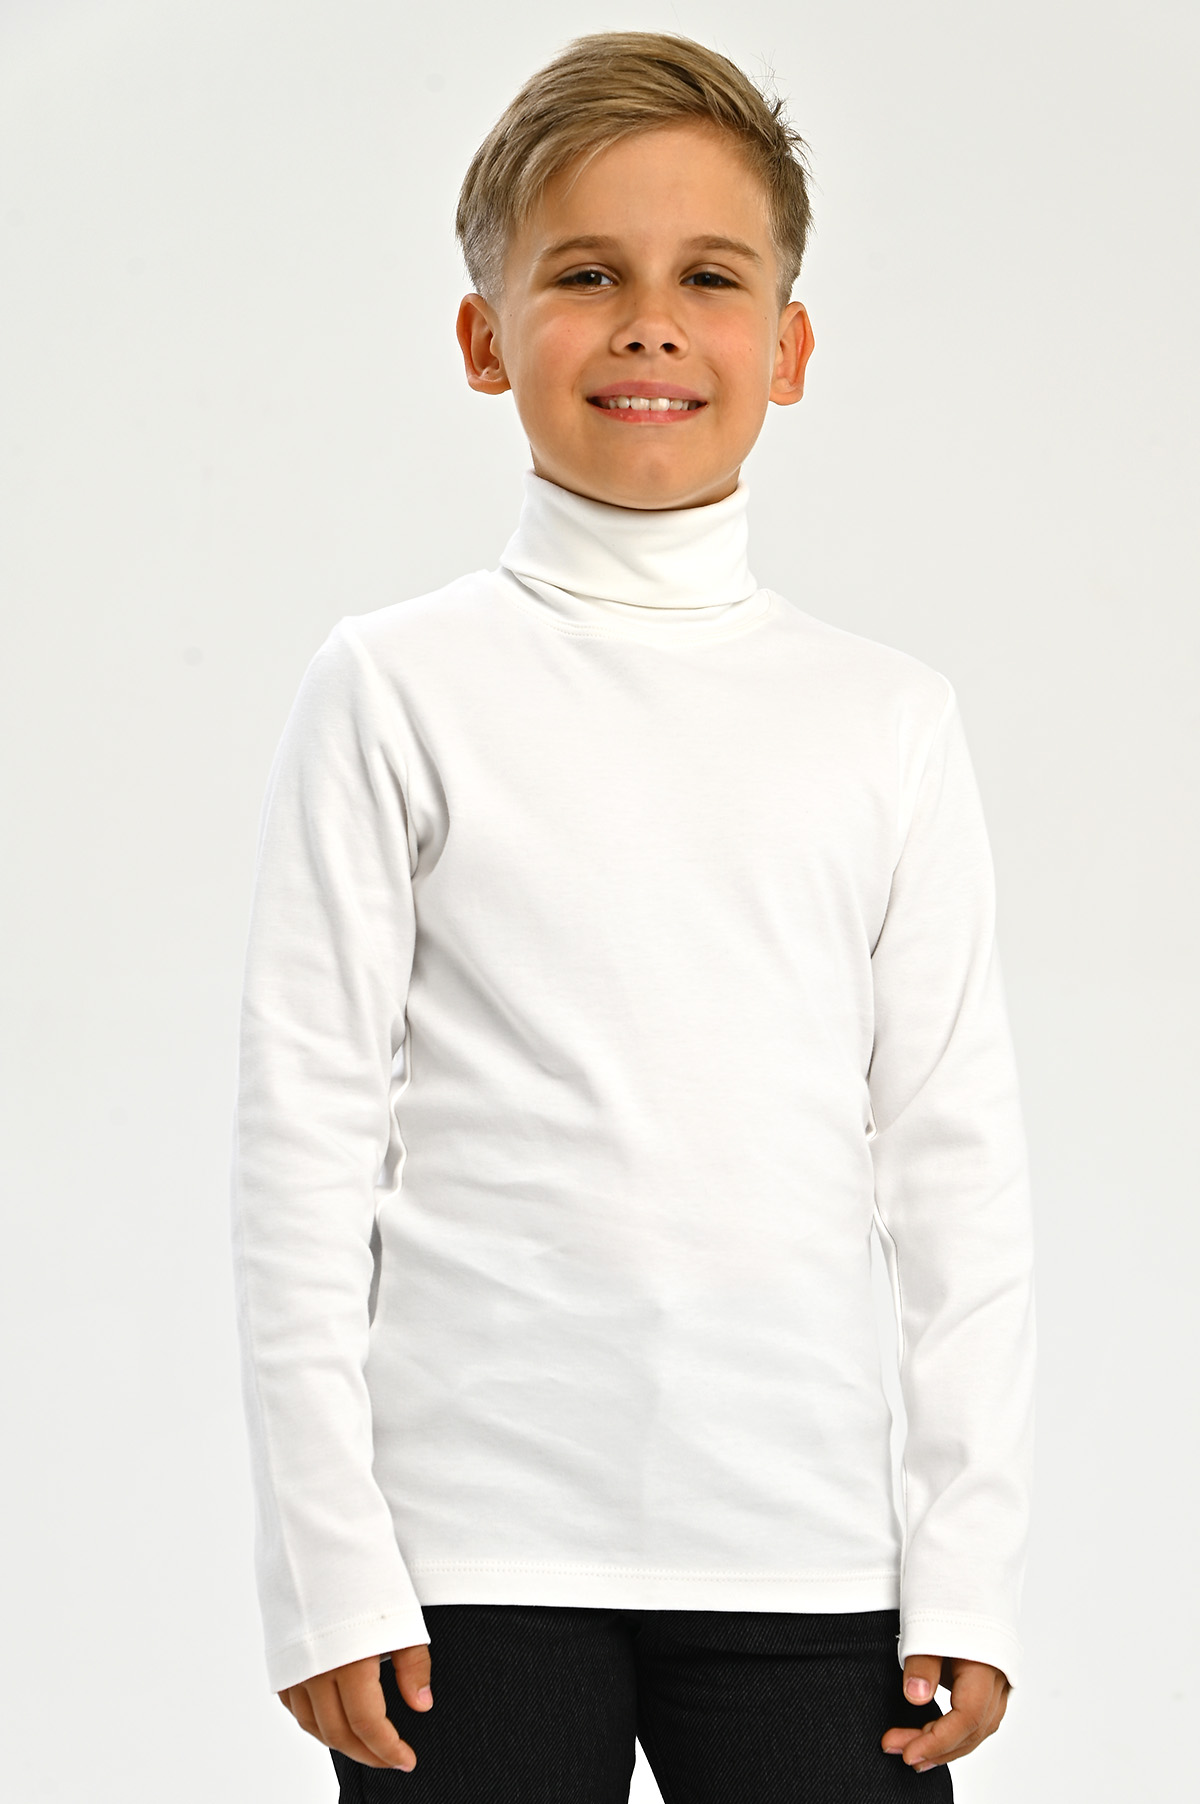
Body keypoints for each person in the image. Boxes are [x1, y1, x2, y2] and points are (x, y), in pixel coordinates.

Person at [229, 29, 1037, 1802]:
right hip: (466, 1561)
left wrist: (966, 1561)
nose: (652, 325)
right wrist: (326, 1562)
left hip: (809, 1555)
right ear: (484, 336)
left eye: (711, 278)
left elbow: (954, 1165)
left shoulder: (888, 720)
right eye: (587, 275)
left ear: (789, 348)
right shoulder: (393, 689)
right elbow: (304, 1143)